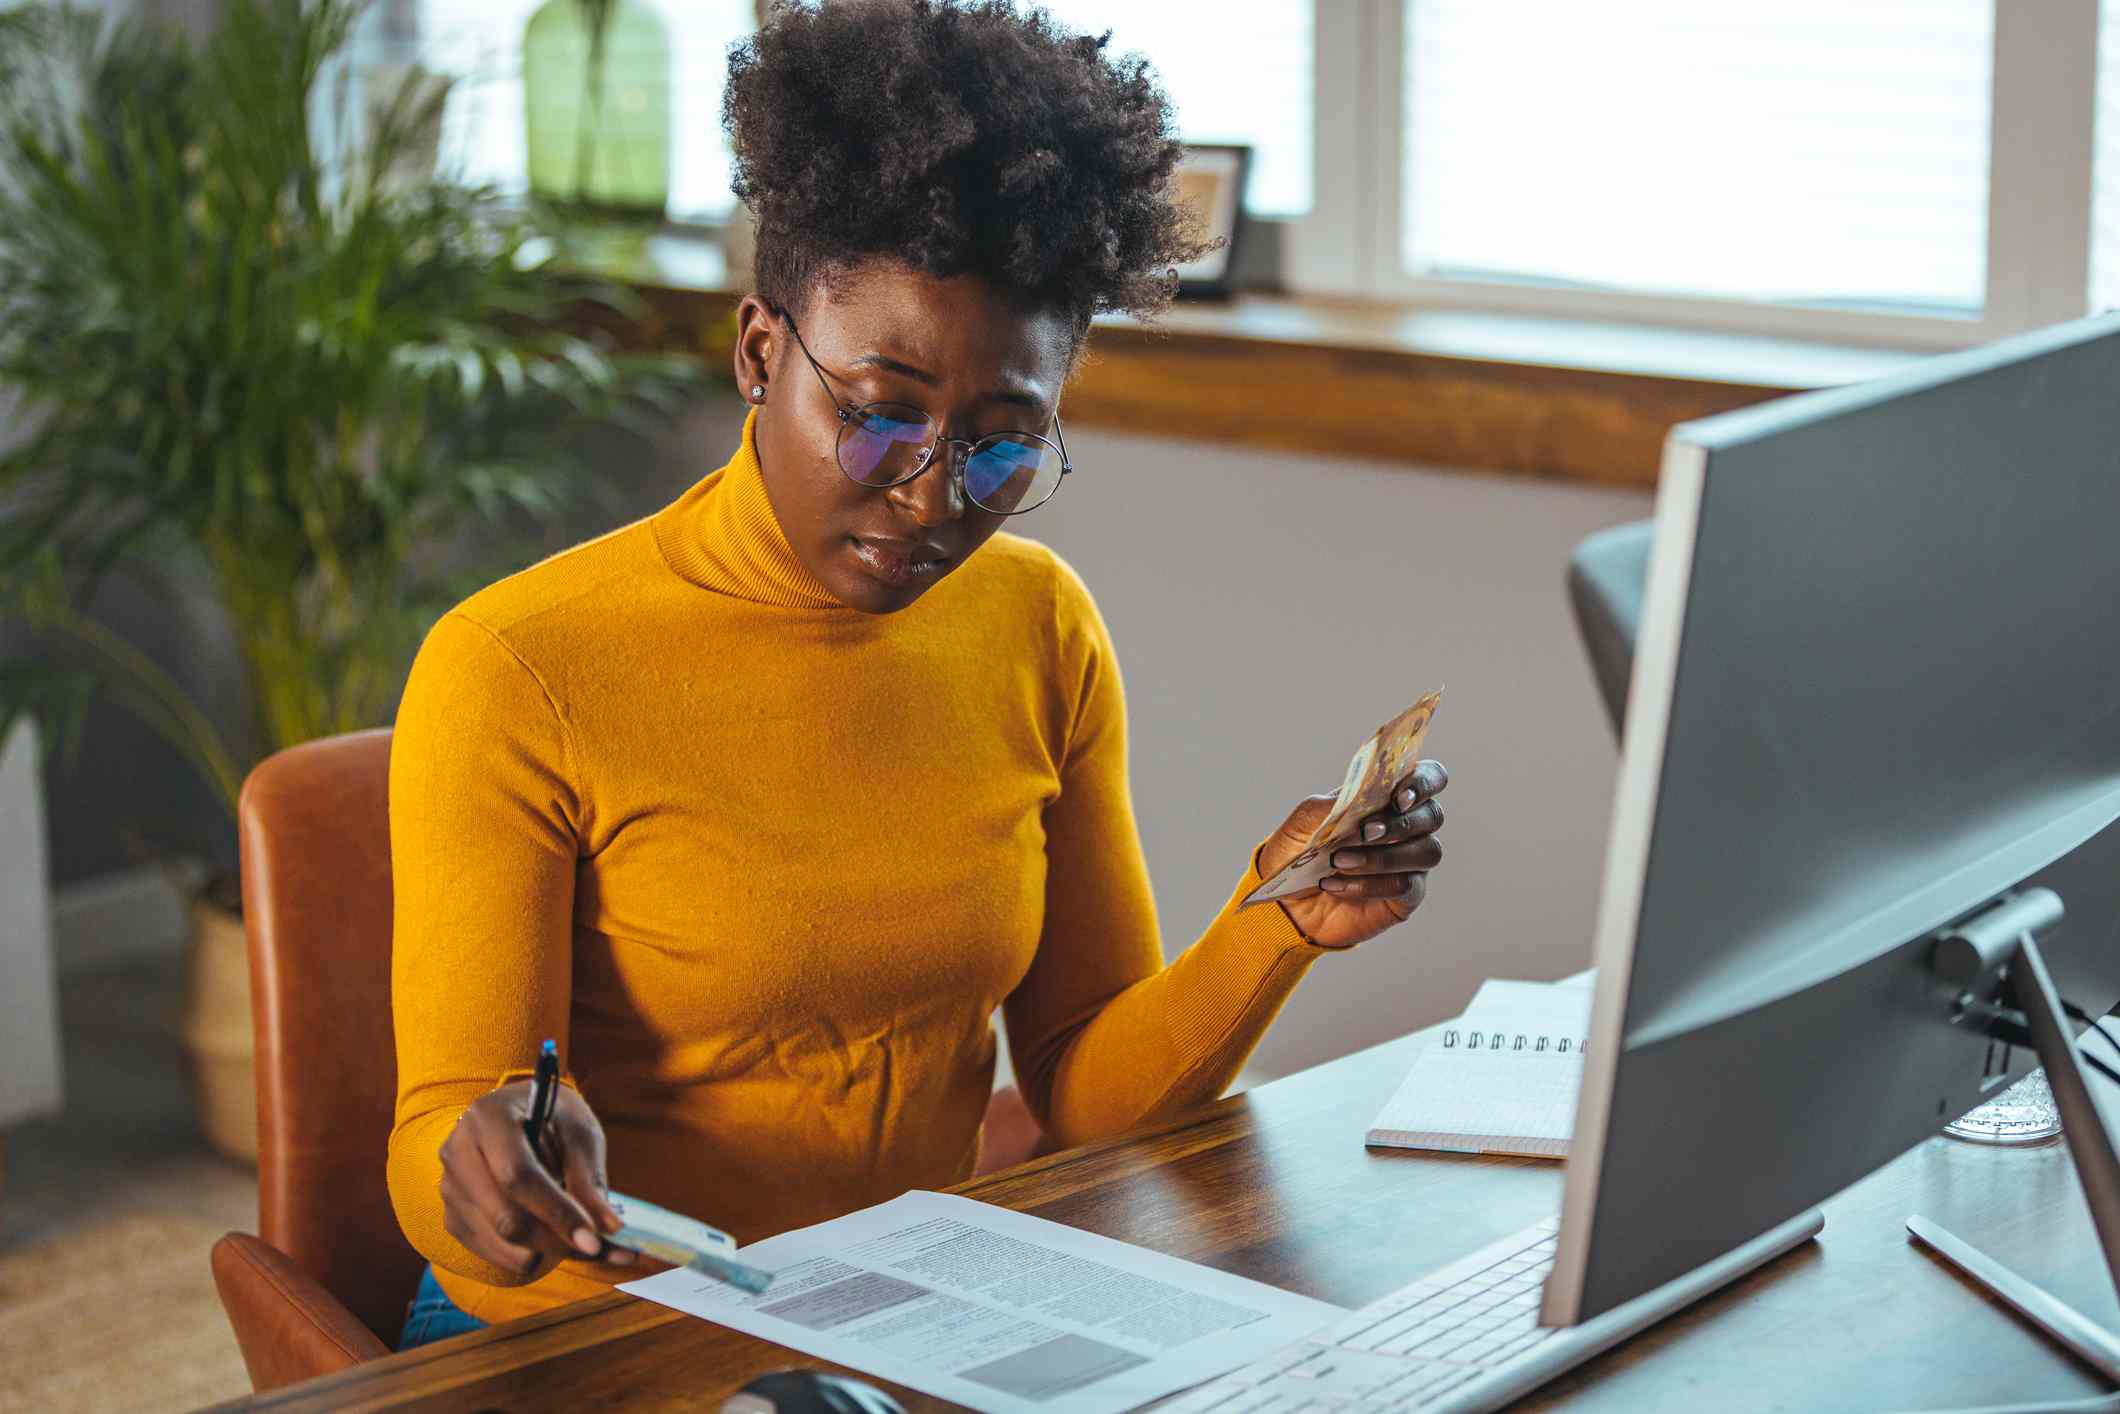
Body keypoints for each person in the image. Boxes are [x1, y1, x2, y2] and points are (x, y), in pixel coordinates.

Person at [386, 0, 1449, 1348]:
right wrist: (483, 1165)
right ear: (763, 351)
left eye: (1004, 446)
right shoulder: (519, 664)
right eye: (879, 417)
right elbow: (443, 1125)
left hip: (888, 1311)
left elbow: (1080, 1088)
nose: (933, 497)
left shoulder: (1038, 628)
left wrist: (1281, 916)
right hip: (578, 1336)